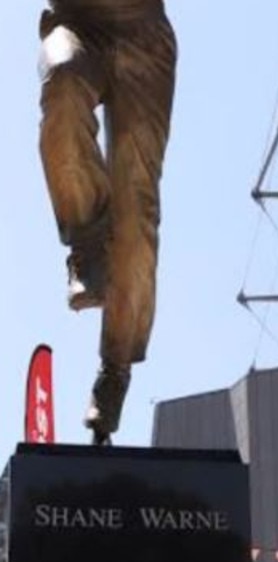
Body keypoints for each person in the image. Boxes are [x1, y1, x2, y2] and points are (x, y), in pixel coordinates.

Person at [38, 0, 177, 443]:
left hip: (143, 38)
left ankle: (115, 368)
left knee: (137, 215)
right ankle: (86, 245)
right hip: (77, 25)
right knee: (63, 85)